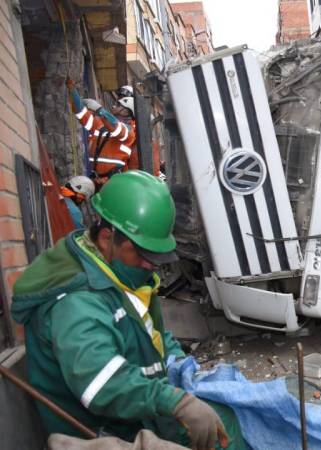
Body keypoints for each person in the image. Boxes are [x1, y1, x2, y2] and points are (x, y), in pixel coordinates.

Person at [12, 171, 244, 449]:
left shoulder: (118, 276)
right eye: (143, 255)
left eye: (155, 257)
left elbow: (148, 330)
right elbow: (103, 384)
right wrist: (174, 402)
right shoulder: (78, 302)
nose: (151, 265)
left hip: (137, 414)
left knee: (229, 420)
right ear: (108, 238)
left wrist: (175, 359)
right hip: (101, 434)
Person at [66, 78, 138, 187]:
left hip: (114, 182)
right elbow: (81, 113)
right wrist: (72, 90)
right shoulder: (100, 124)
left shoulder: (129, 131)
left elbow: (115, 128)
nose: (114, 106)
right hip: (96, 180)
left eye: (118, 105)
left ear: (127, 111)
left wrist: (99, 109)